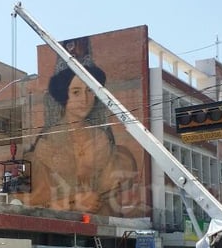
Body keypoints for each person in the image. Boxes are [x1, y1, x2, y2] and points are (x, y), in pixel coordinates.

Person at [21, 60, 138, 216]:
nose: (84, 99)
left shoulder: (101, 138)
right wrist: (73, 202)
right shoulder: (47, 142)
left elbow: (111, 191)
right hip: (58, 226)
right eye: (76, 92)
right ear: (64, 96)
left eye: (89, 91)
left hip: (101, 226)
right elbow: (34, 203)